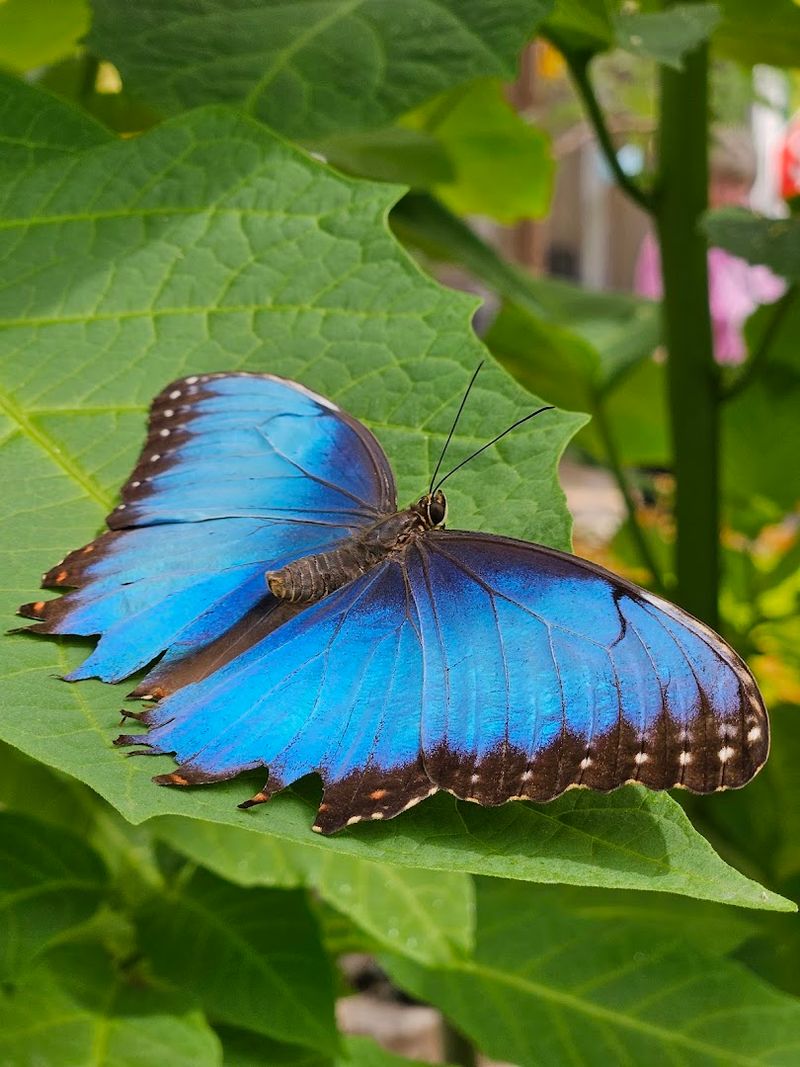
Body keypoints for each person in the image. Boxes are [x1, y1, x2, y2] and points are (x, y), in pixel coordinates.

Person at [635, 127, 785, 364]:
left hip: (753, 370)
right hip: (698, 370)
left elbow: (773, 297)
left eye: (737, 184)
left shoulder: (759, 233)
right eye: (718, 182)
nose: (729, 194)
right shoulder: (673, 239)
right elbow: (654, 315)